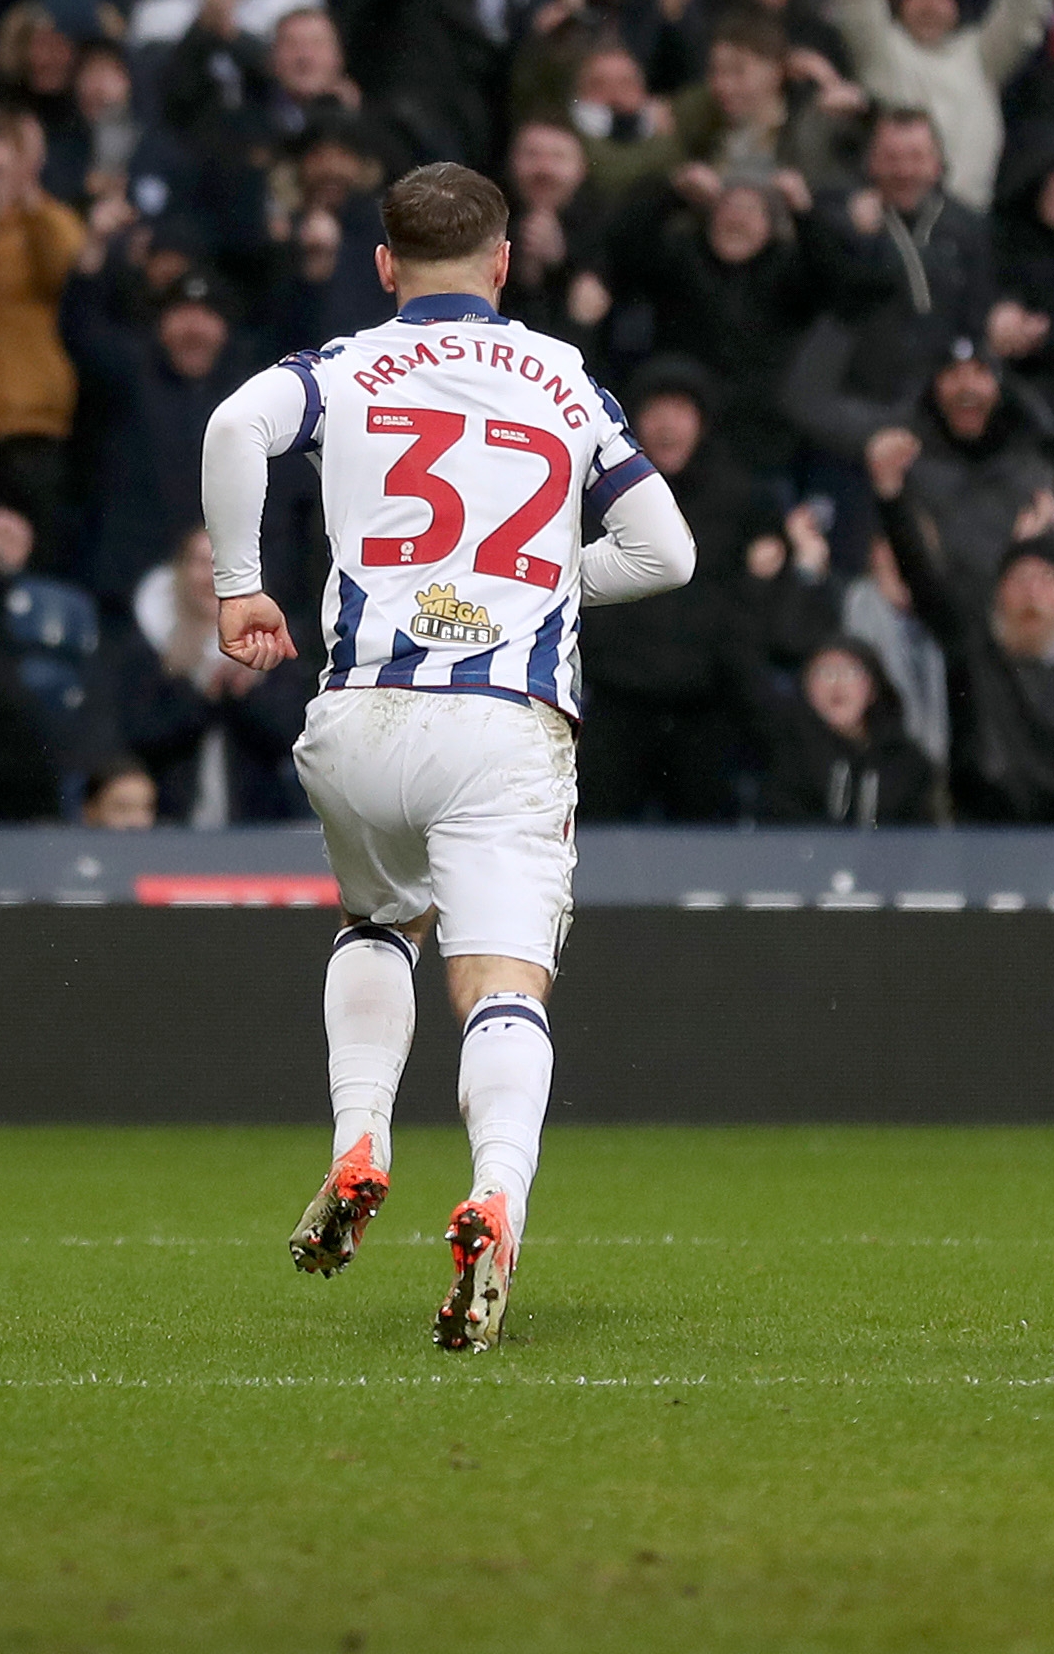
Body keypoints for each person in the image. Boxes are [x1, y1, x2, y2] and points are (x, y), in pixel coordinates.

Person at [198, 162, 696, 1351]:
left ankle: (357, 1135)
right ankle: (496, 1200)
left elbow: (230, 427)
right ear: (503, 263)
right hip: (503, 725)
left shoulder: (343, 364)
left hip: (359, 713)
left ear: (384, 266)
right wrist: (541, 582)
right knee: (501, 984)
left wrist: (236, 588)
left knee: (375, 920)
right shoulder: (565, 379)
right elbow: (665, 550)